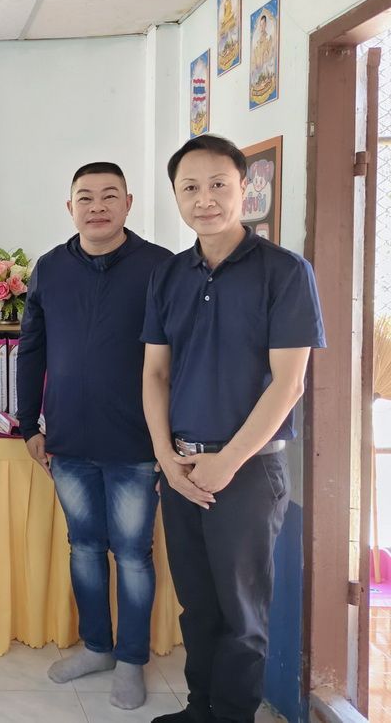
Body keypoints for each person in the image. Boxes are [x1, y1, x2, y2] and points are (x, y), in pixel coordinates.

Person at [142, 135, 325, 723]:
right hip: (182, 466)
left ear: (245, 188)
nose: (205, 199)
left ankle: (232, 716)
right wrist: (166, 457)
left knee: (242, 614)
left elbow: (288, 384)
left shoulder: (285, 272)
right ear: (176, 196)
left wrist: (228, 461)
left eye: (218, 184)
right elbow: (155, 373)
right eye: (190, 188)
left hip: (247, 470)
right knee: (197, 606)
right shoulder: (169, 274)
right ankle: (200, 708)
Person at [16, 162, 172, 709]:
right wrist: (28, 423)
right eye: (85, 197)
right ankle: (97, 648)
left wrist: (170, 441)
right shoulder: (50, 268)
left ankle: (131, 660)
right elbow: (31, 347)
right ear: (70, 208)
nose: (97, 206)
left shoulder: (160, 267)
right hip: (68, 440)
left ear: (128, 203)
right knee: (83, 547)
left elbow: (178, 358)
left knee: (132, 553)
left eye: (109, 196)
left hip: (136, 444)